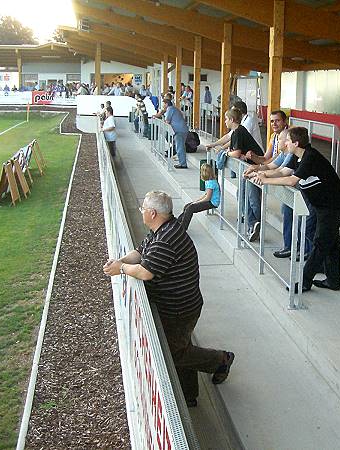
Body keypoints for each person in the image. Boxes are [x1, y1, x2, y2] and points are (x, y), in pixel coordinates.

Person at [103, 191, 235, 407]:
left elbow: (145, 272)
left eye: (143, 209)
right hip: (177, 306)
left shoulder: (167, 238)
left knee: (175, 354)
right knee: (181, 348)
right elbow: (140, 252)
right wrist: (119, 261)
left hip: (180, 309)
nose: (141, 212)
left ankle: (221, 360)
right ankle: (189, 395)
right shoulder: (162, 230)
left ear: (152, 213)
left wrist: (122, 269)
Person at [254, 127, 340, 292]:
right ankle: (333, 281)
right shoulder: (296, 156)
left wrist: (266, 181)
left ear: (296, 143)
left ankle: (305, 282)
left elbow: (291, 180)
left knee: (320, 243)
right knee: (329, 243)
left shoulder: (310, 157)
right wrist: (261, 175)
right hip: (320, 205)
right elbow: (283, 171)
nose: (286, 143)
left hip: (333, 205)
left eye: (288, 140)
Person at [224, 107, 265, 240]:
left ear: (231, 120)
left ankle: (256, 223)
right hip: (249, 167)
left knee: (252, 198)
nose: (224, 122)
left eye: (226, 119)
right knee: (241, 194)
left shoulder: (238, 131)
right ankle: (252, 223)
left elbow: (235, 153)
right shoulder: (239, 131)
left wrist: (227, 153)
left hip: (255, 167)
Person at [178, 163, 220, 230]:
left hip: (212, 203)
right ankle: (178, 222)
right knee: (187, 206)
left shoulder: (211, 183)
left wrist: (197, 203)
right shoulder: (208, 181)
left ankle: (183, 228)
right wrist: (196, 201)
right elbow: (205, 195)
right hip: (209, 200)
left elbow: (208, 198)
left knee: (190, 208)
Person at [163, 98, 189, 168]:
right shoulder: (174, 108)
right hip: (182, 130)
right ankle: (181, 161)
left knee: (179, 147)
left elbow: (167, 121)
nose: (163, 105)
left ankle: (183, 164)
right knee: (178, 146)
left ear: (166, 104)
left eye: (163, 104)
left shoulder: (170, 109)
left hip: (179, 131)